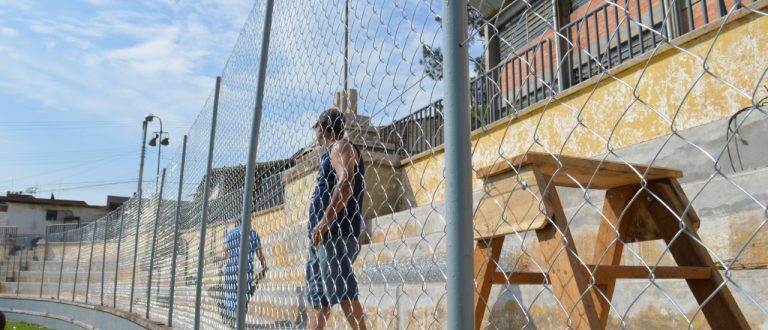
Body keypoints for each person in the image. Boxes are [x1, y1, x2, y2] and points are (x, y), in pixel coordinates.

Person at [306, 108, 368, 330]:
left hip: (334, 233)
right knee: (318, 298)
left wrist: (324, 223)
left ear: (321, 128)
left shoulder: (340, 147)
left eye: (316, 129)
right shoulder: (330, 152)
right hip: (321, 236)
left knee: (343, 291)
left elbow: (346, 183)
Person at [222, 220, 267, 325]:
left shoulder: (231, 232)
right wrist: (264, 267)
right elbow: (260, 254)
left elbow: (225, 251)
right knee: (244, 294)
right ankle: (241, 319)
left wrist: (221, 266)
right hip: (247, 269)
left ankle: (232, 316)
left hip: (231, 269)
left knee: (230, 293)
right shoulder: (253, 233)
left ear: (237, 222)